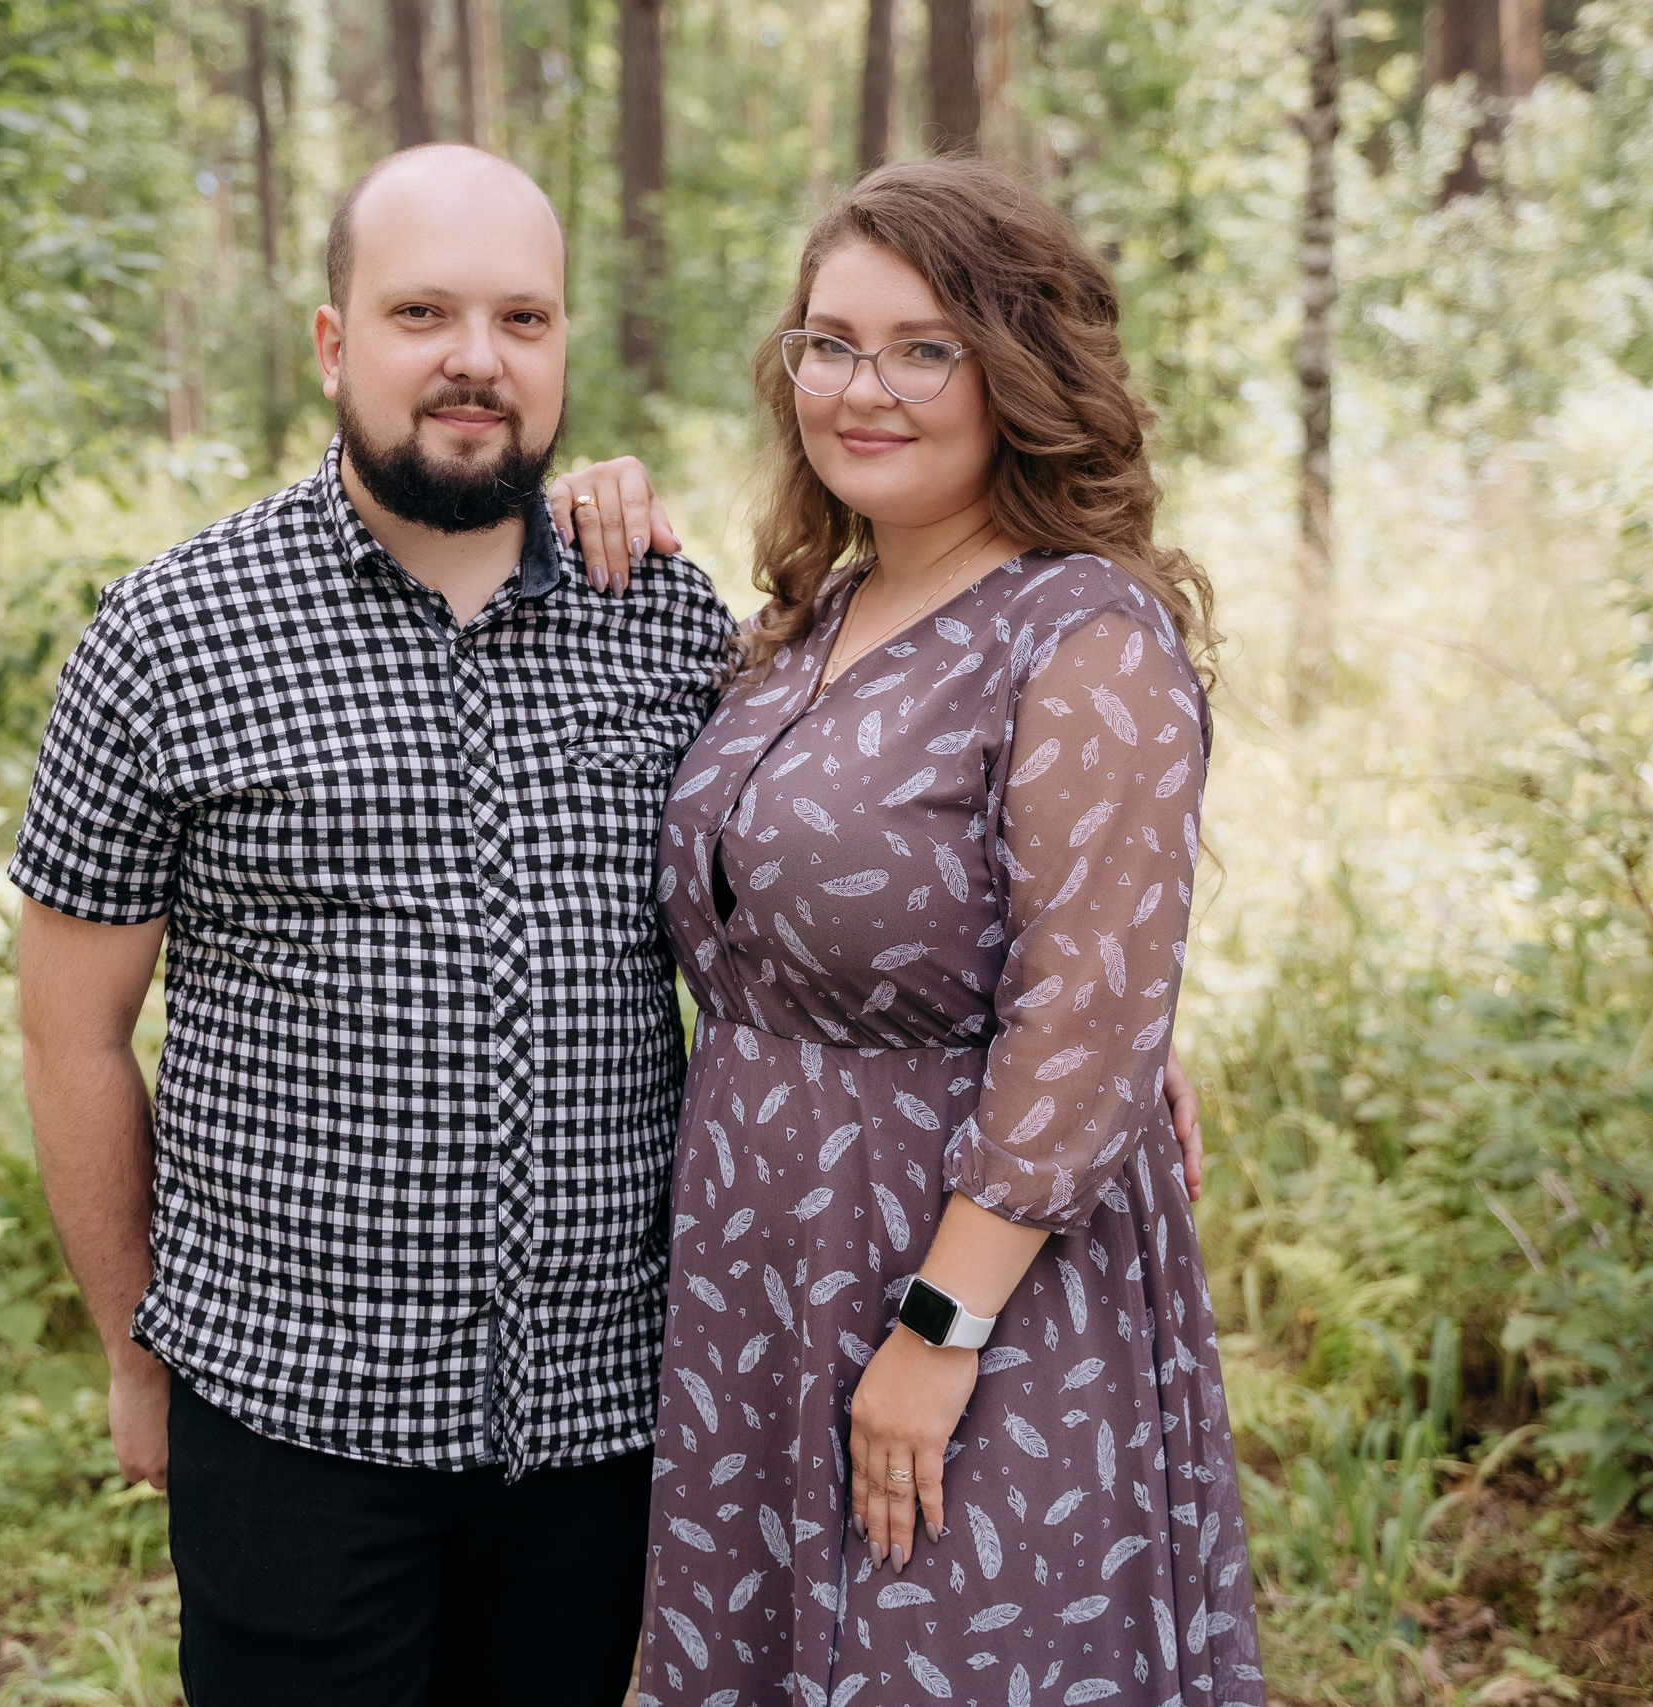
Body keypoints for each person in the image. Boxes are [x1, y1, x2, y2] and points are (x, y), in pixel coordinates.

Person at [14, 143, 1211, 1707]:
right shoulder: (174, 633)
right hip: (299, 1408)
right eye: (422, 313)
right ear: (332, 342)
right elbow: (69, 1030)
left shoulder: (659, 621)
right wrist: (132, 1348)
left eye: (522, 319)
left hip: (610, 1410)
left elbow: (967, 908)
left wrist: (1108, 1039)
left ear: (566, 344)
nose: (474, 360)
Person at [556, 158, 1263, 1707]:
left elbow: (1082, 1013)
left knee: (946, 1648)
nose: (862, 388)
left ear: (1018, 370)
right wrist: (587, 501)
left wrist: (938, 1333)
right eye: (830, 342)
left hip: (968, 1273)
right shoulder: (807, 620)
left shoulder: (1080, 632)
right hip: (757, 1259)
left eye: (923, 347)